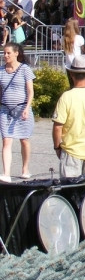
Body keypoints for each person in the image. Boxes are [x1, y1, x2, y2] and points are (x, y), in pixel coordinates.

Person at [0, 43, 34, 181]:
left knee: (24, 140)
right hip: (5, 110)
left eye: (8, 53)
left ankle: (25, 168)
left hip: (21, 109)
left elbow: (30, 91)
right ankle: (6, 173)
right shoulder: (1, 70)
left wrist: (27, 108)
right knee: (6, 141)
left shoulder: (24, 69)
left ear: (16, 53)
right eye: (4, 53)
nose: (5, 55)